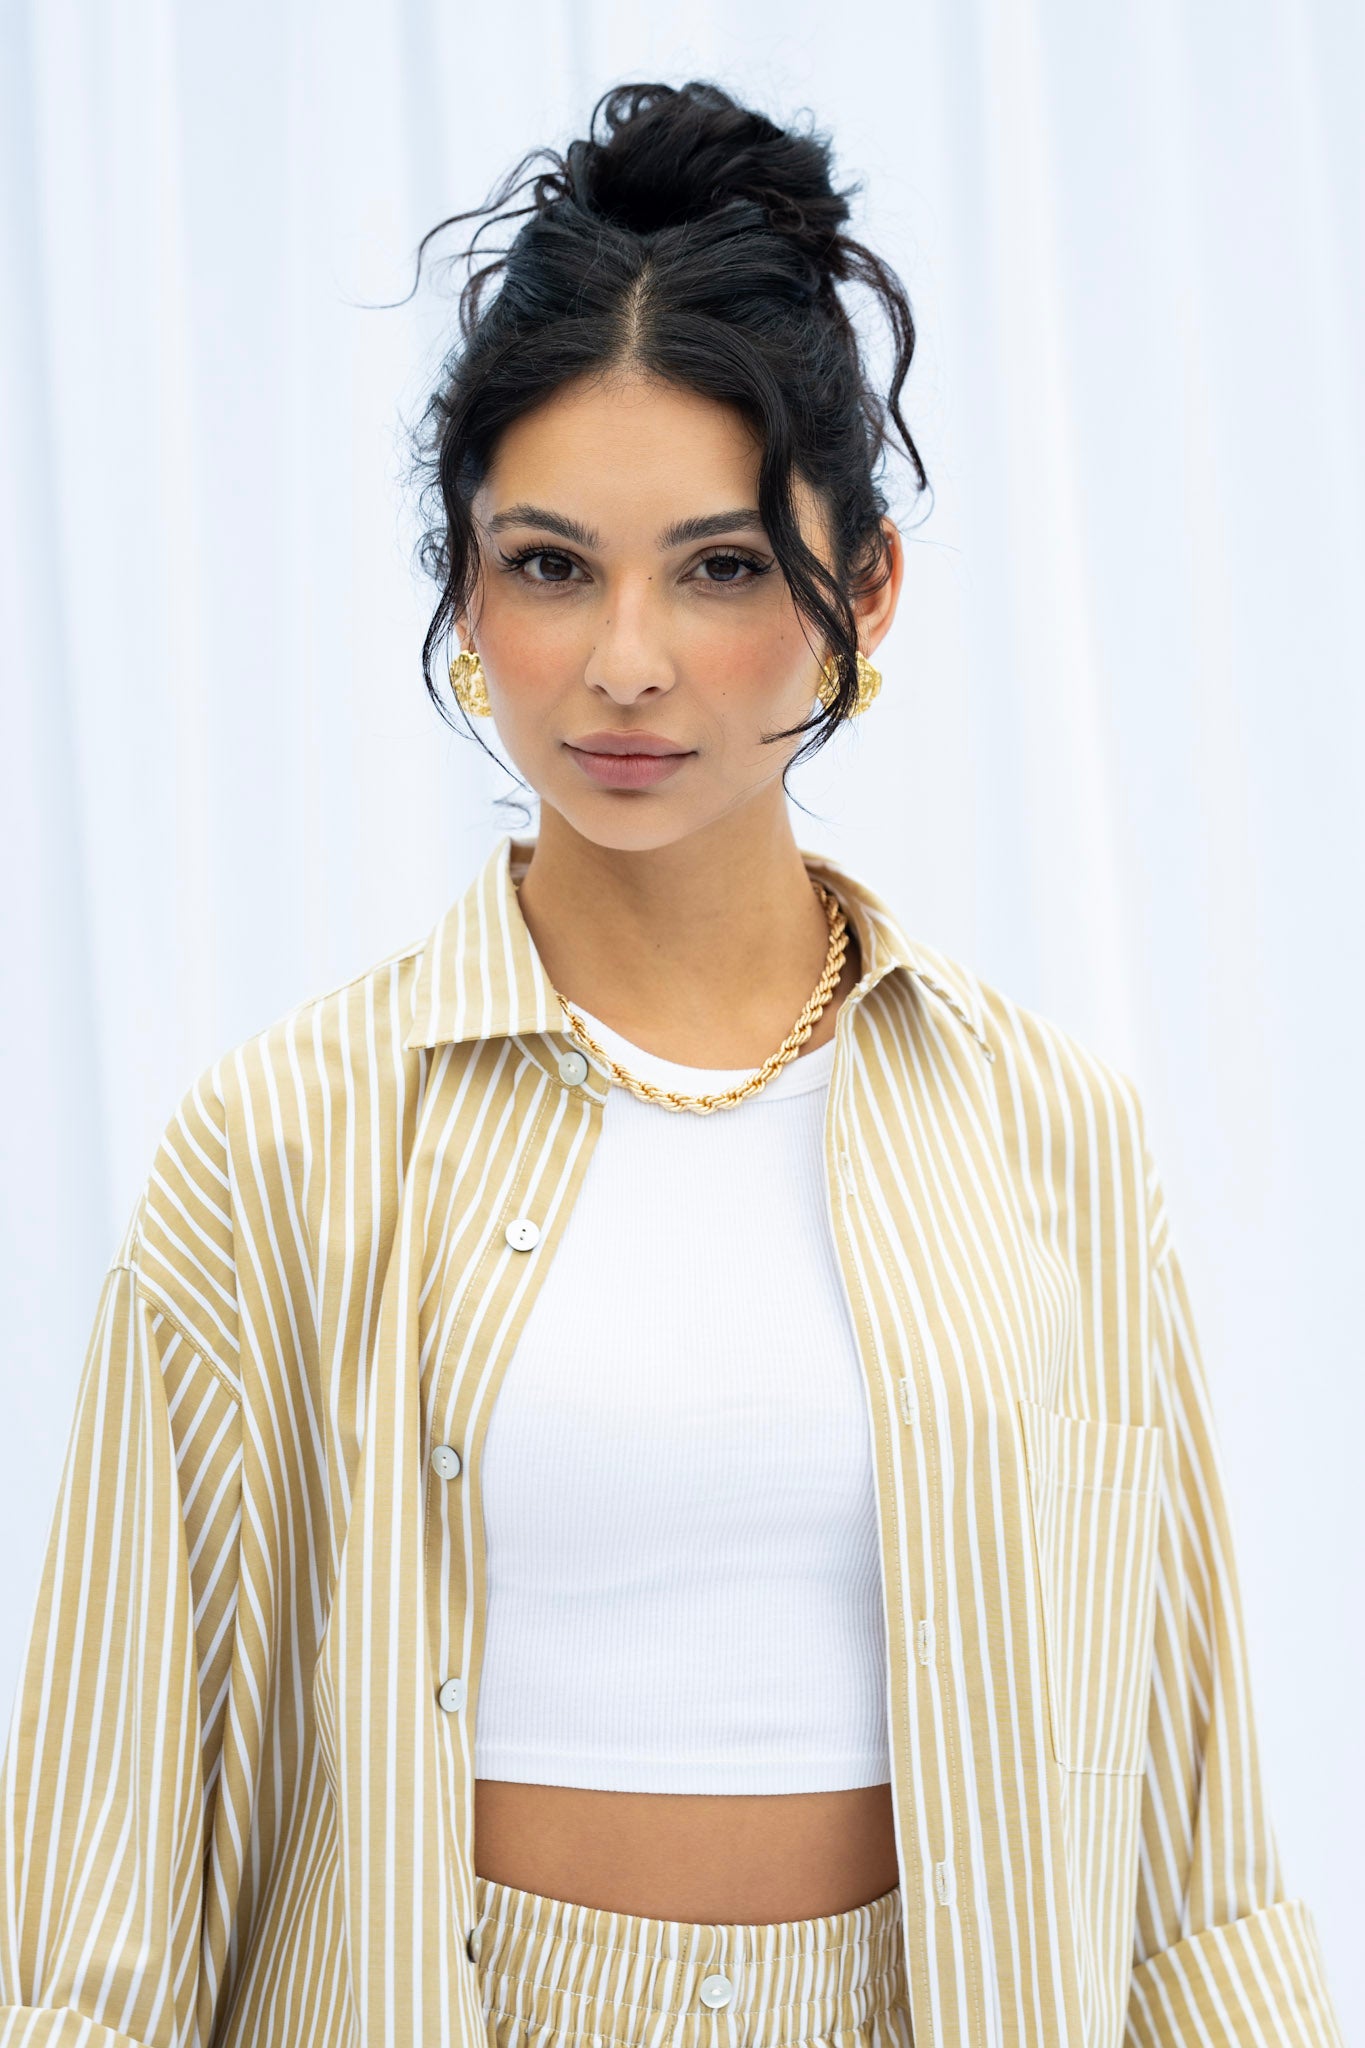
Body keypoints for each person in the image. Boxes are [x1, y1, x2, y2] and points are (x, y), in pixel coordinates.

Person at [0, 77, 1343, 2048]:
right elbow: (103, 1889)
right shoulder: (283, 1142)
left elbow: (1188, 1862)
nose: (623, 659)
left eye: (715, 570)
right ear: (464, 589)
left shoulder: (1049, 1135)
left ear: (855, 598)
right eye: (548, 566)